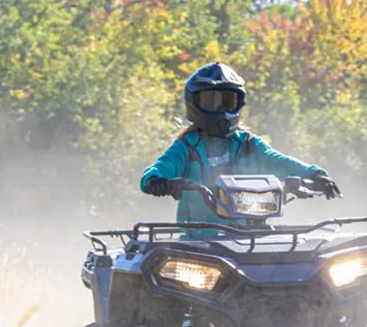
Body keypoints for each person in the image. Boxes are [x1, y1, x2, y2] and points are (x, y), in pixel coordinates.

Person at [139, 62, 339, 229]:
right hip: (199, 241)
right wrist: (157, 180)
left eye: (228, 101)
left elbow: (280, 161)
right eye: (211, 101)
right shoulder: (187, 146)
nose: (221, 109)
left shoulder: (249, 144)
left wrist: (314, 174)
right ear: (194, 103)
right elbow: (162, 166)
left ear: (239, 103)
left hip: (253, 235)